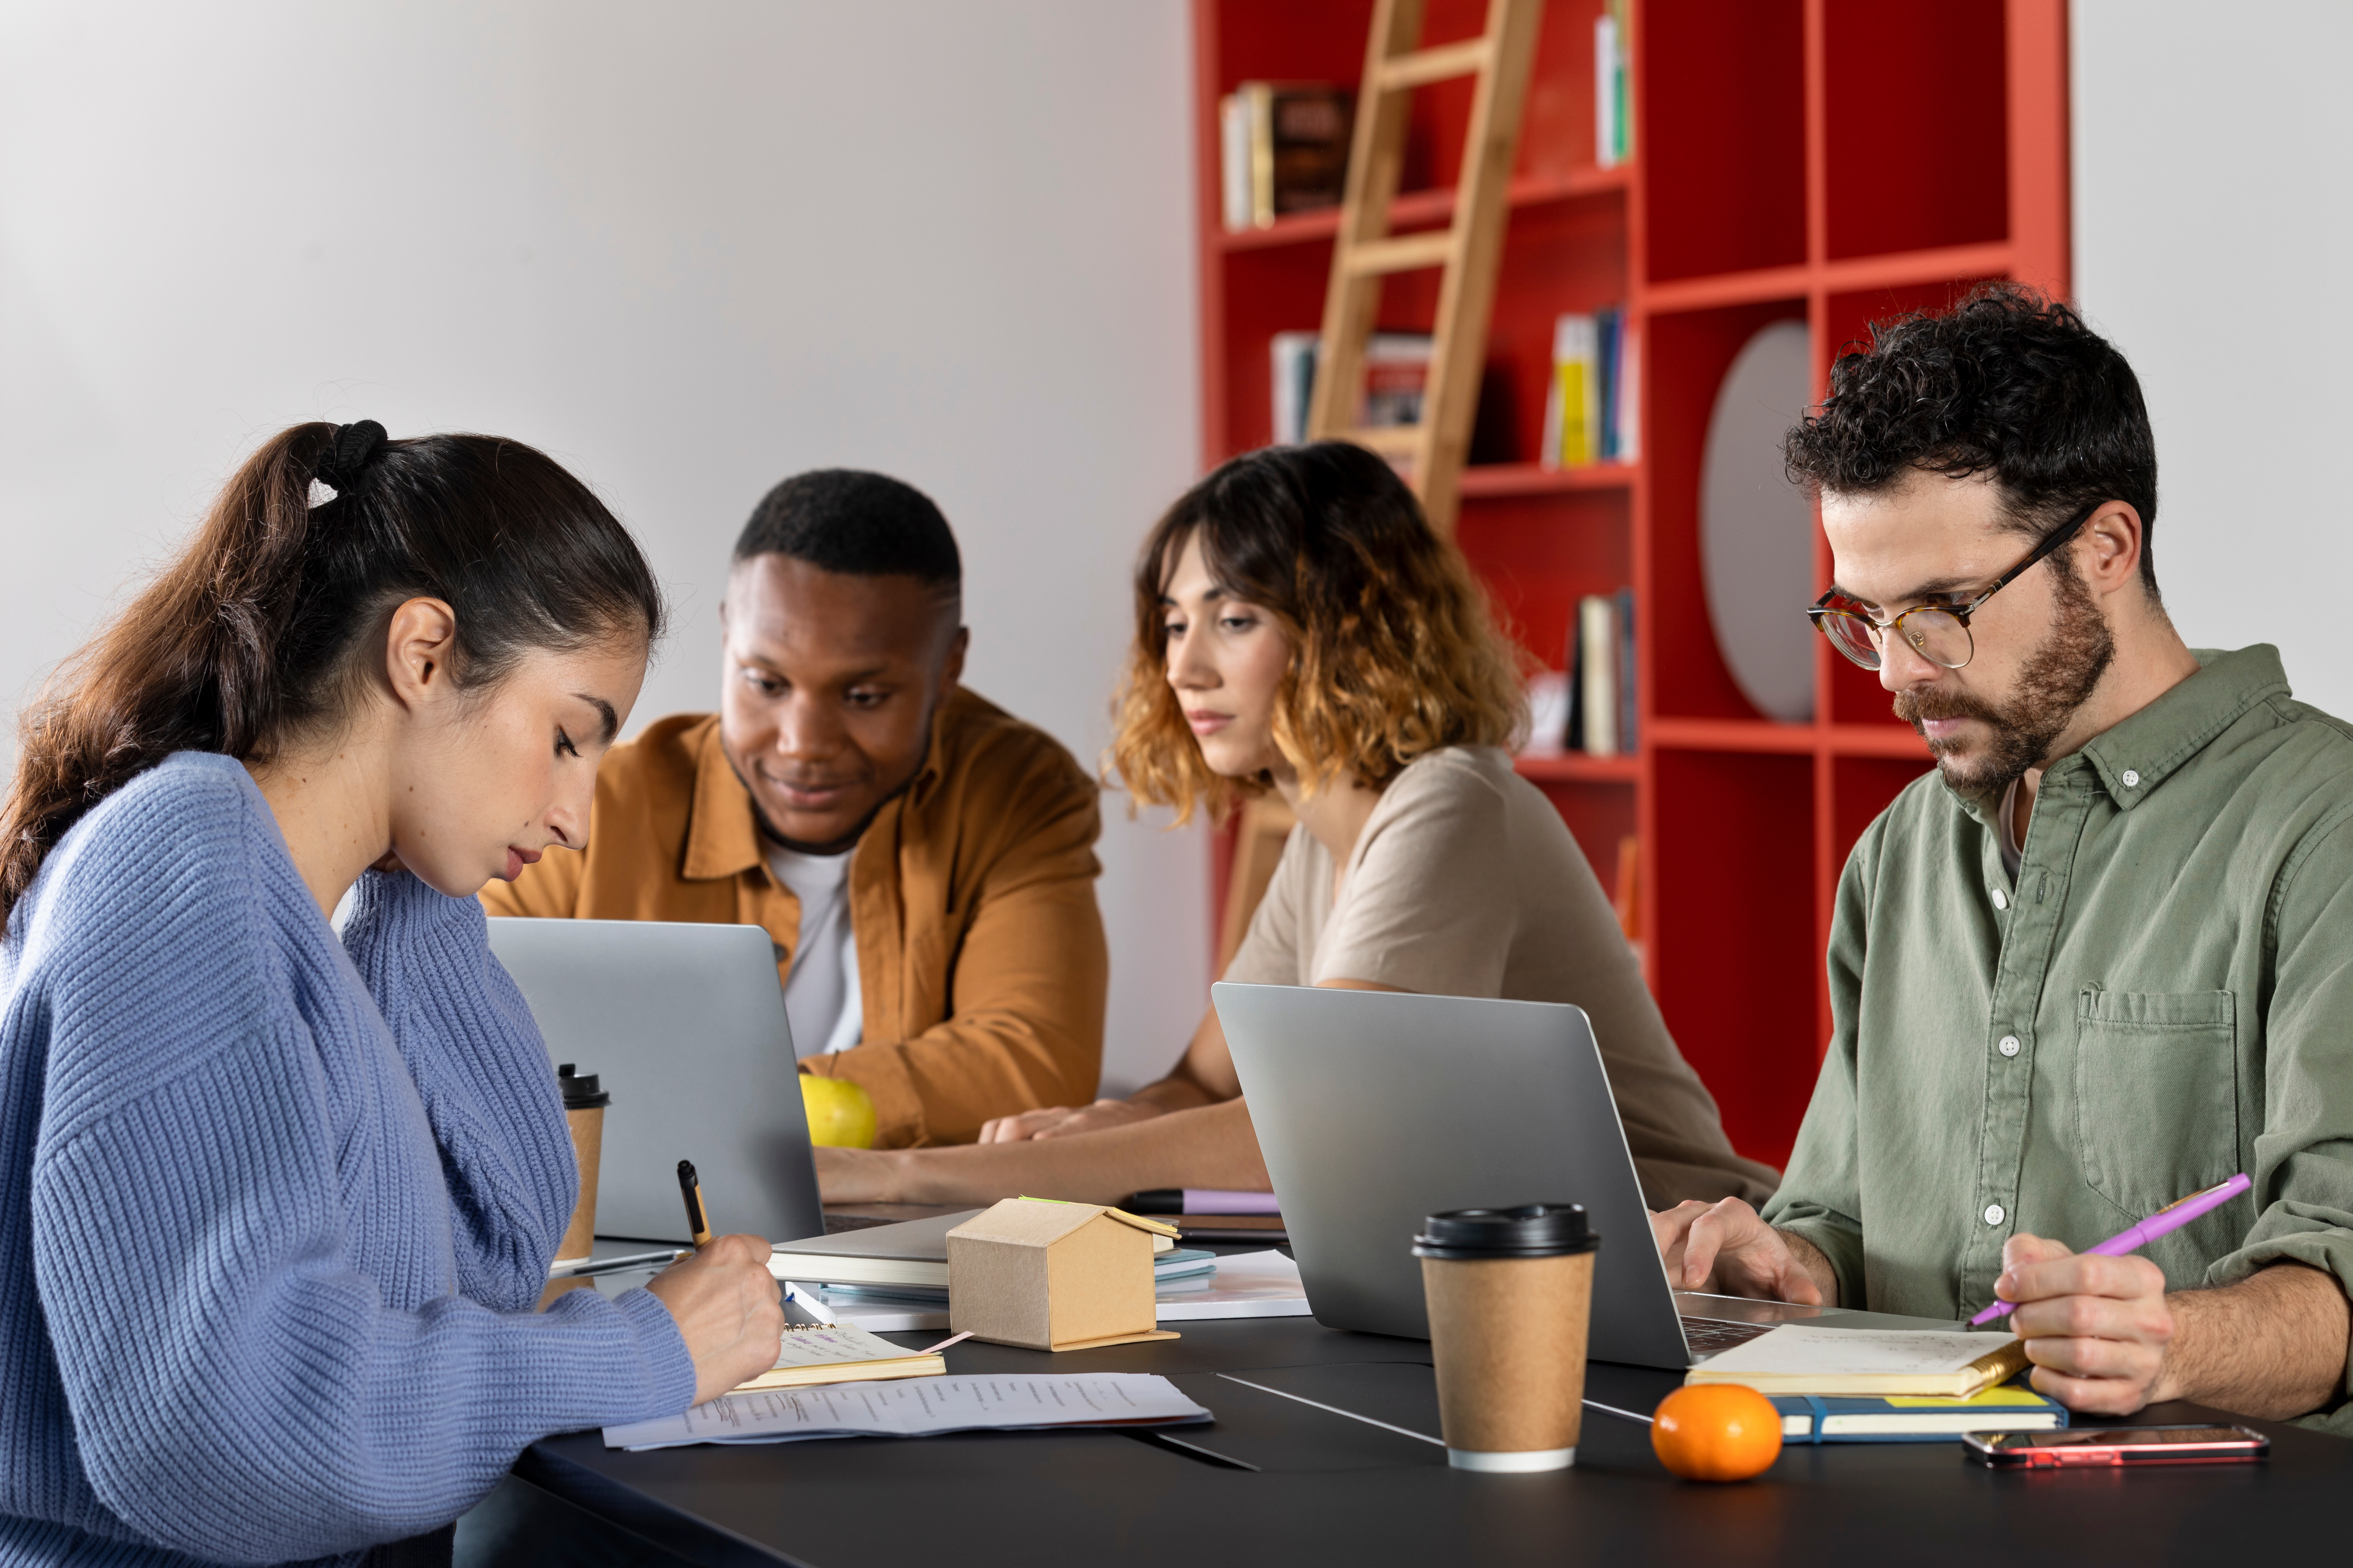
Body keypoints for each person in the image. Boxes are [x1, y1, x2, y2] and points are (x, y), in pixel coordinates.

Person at [0, 422, 784, 1565]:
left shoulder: (298, 907)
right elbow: (241, 1425)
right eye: (566, 739)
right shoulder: (182, 859)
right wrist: (646, 1345)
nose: (577, 815)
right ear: (422, 653)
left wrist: (418, 899)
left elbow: (485, 1270)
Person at [1654, 285, 2353, 1432]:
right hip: (1902, 1503)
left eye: (1943, 608)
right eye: (1863, 618)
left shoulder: (2321, 828)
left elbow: (2344, 1278)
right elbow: (1842, 1220)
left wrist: (2173, 1342)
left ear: (2109, 547)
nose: (1895, 672)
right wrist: (1784, 1262)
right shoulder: (1900, 853)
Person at [816, 440, 1778, 1209]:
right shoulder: (1323, 842)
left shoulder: (1448, 805)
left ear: (1347, 627)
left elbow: (1309, 1134)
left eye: (1232, 620)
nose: (1183, 666)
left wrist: (913, 1175)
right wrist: (1092, 1127)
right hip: (1509, 1269)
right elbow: (1200, 1087)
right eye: (1171, 621)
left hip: (1689, 1271)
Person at [482, 470, 1107, 1149]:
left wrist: (747, 1104)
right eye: (767, 683)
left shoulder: (1018, 790)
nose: (803, 743)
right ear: (728, 637)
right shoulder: (600, 801)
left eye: (864, 696)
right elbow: (458, 1008)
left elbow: (1038, 1057)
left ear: (949, 667)